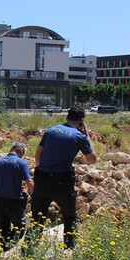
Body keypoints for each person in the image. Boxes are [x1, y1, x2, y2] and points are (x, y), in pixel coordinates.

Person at [30, 106, 98, 249]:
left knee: (37, 217)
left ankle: (28, 250)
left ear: (66, 117)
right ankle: (69, 248)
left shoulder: (50, 131)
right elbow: (92, 159)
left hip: (42, 178)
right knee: (69, 215)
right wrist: (88, 137)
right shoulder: (79, 136)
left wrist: (41, 170)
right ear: (81, 122)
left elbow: (38, 155)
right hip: (62, 182)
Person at [0, 141, 34, 252]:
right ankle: (8, 249)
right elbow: (29, 182)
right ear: (21, 151)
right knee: (20, 228)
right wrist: (33, 195)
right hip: (15, 201)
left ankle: (3, 251)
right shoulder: (21, 163)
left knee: (3, 229)